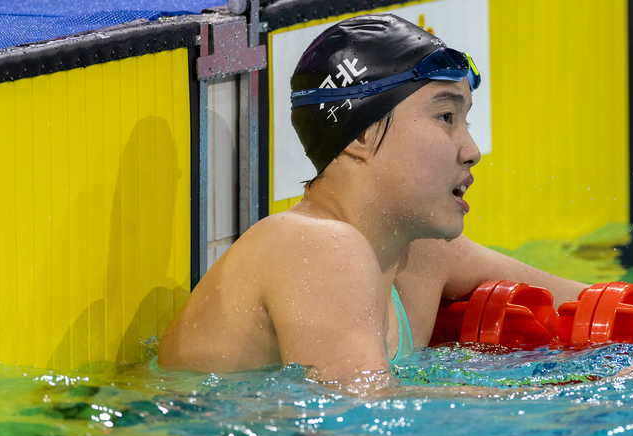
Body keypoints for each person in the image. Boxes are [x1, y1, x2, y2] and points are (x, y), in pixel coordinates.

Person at [159, 14, 588, 389]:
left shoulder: (420, 254)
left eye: (466, 120)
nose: (472, 149)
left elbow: (592, 307)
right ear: (361, 134)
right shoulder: (313, 247)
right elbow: (358, 422)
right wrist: (548, 398)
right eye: (446, 118)